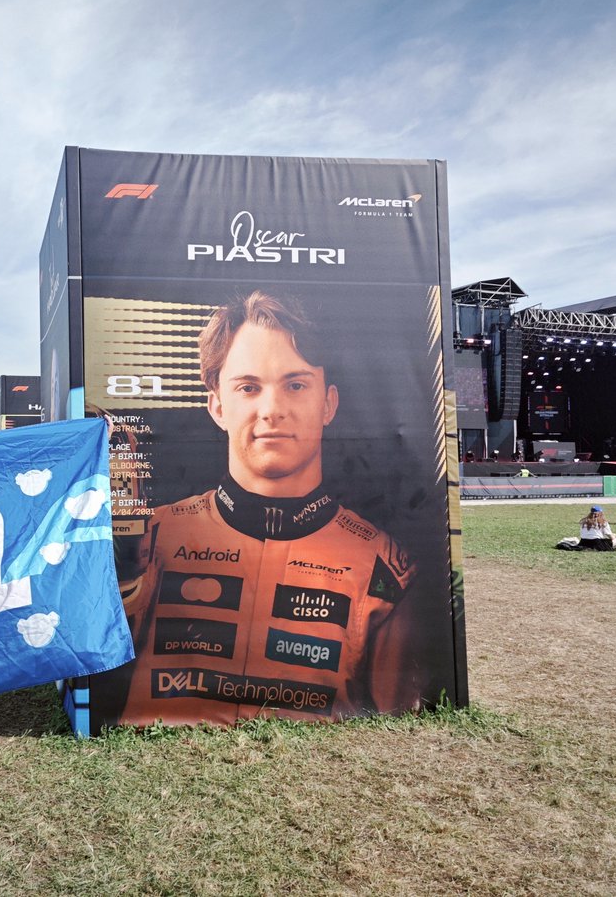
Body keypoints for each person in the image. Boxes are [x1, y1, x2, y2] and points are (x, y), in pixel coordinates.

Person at [119, 291, 418, 725]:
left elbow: (400, 723)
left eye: (296, 385)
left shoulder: (384, 566)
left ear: (328, 403)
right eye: (248, 387)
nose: (272, 410)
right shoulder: (151, 538)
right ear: (218, 405)